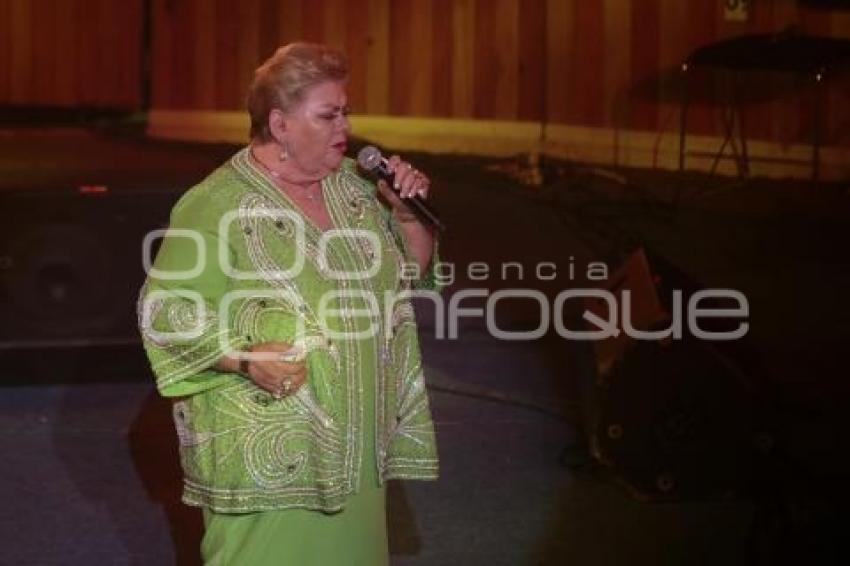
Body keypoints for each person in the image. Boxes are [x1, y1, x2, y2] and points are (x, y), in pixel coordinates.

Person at [138, 42, 441, 565]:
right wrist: (245, 359)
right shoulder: (215, 203)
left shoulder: (357, 187)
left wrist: (408, 218)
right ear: (280, 124)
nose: (344, 126)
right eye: (327, 114)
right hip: (270, 442)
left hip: (356, 440)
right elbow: (164, 311)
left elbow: (404, 277)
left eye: (345, 111)